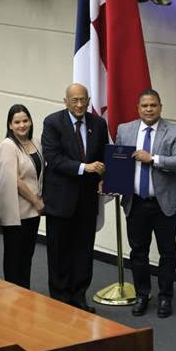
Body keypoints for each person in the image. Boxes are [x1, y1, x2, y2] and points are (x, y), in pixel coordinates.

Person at [116, 89, 176, 318]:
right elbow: (118, 163)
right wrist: (110, 182)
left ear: (160, 107)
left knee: (167, 252)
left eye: (153, 105)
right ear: (138, 108)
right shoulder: (124, 130)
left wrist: (153, 159)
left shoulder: (174, 131)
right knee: (138, 252)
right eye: (145, 106)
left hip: (163, 203)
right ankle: (142, 294)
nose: (149, 109)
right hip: (135, 202)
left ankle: (165, 297)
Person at [41, 83, 108, 313]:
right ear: (65, 101)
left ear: (89, 100)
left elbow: (103, 156)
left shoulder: (98, 124)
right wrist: (85, 167)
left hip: (87, 201)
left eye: (83, 100)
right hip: (60, 200)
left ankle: (79, 295)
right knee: (59, 251)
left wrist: (103, 177)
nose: (79, 105)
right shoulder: (52, 123)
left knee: (83, 251)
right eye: (74, 100)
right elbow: (54, 158)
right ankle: (59, 299)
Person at [0, 104, 44, 289]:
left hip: (33, 212)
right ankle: (13, 297)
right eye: (17, 122)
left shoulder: (36, 143)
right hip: (17, 213)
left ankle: (25, 295)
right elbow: (14, 180)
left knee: (27, 257)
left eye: (25, 120)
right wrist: (35, 200)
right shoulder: (7, 146)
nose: (22, 125)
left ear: (31, 121)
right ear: (10, 125)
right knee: (15, 260)